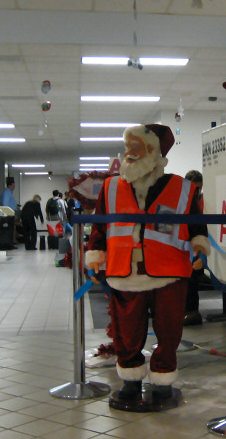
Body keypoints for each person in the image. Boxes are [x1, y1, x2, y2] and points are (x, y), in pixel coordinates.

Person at [86, 124, 210, 405]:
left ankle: (163, 380)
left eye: (137, 148)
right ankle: (130, 381)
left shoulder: (183, 189)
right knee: (126, 331)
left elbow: (197, 226)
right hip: (124, 271)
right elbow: (99, 229)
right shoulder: (111, 187)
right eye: (128, 147)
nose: (129, 154)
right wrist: (95, 256)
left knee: (169, 331)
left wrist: (200, 249)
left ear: (155, 153)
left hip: (170, 272)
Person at [184, 170, 205, 326]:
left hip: (197, 247)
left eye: (198, 188)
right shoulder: (182, 202)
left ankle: (192, 313)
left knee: (192, 280)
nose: (196, 192)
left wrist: (201, 254)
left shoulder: (203, 202)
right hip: (184, 246)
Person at [0, 177, 18, 250]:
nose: (14, 187)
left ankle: (9, 244)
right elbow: (5, 204)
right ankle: (6, 244)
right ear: (10, 185)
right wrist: (5, 215)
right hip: (7, 216)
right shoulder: (7, 193)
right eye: (13, 185)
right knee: (7, 231)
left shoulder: (8, 193)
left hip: (9, 215)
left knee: (9, 230)